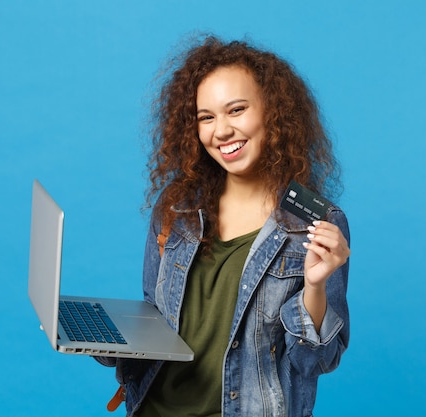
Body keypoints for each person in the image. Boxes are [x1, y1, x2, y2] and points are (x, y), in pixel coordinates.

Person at [98, 35, 351, 417]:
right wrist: (107, 338)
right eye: (206, 117)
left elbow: (317, 360)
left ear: (272, 111)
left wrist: (315, 286)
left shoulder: (316, 224)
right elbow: (156, 314)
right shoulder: (176, 208)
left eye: (236, 110)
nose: (221, 131)